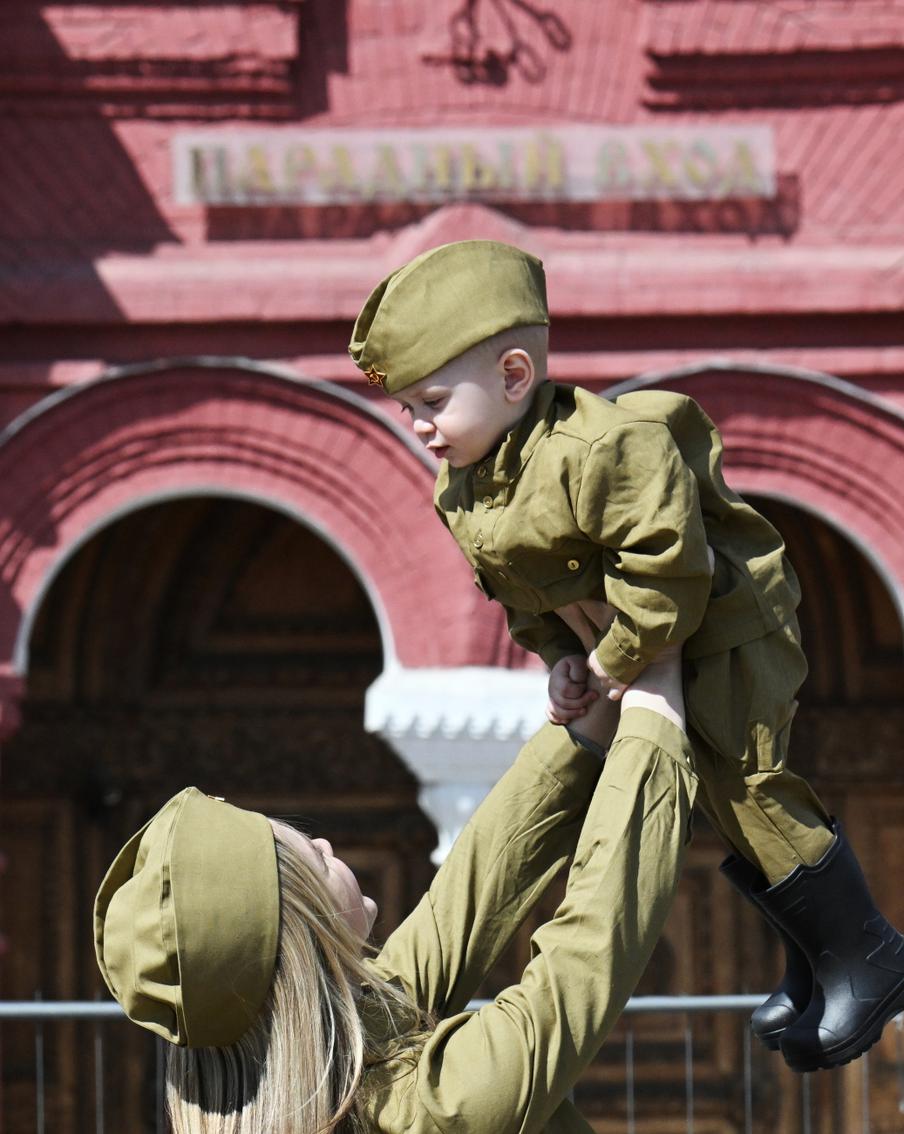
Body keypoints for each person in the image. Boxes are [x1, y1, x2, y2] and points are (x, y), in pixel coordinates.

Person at [347, 238, 904, 1073]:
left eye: (431, 400)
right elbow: (521, 589)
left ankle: (867, 955)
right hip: (634, 649)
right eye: (406, 410)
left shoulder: (602, 450)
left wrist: (616, 654)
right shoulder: (462, 487)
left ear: (512, 377)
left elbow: (668, 569)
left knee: (745, 780)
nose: (420, 425)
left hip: (726, 627)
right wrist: (563, 661)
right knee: (718, 794)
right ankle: (818, 956)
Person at [95, 662, 697, 1133]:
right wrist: (653, 716)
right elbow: (587, 951)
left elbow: (474, 887)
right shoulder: (436, 1111)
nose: (329, 843)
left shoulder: (352, 1037)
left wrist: (581, 728)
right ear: (303, 926)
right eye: (312, 850)